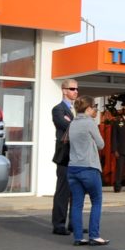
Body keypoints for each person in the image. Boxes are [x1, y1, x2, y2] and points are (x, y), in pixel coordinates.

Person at [67, 95, 109, 246]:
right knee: (96, 201)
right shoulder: (89, 123)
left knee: (77, 204)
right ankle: (94, 236)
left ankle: (78, 237)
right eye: (95, 108)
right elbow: (101, 144)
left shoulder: (72, 123)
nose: (95, 111)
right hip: (89, 167)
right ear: (89, 108)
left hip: (72, 168)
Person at [51, 79, 78, 235]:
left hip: (77, 155)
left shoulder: (77, 110)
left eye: (76, 89)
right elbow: (65, 125)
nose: (75, 91)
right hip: (65, 155)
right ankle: (59, 224)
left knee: (76, 191)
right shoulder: (58, 109)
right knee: (63, 190)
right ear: (64, 90)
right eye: (72, 88)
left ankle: (74, 223)